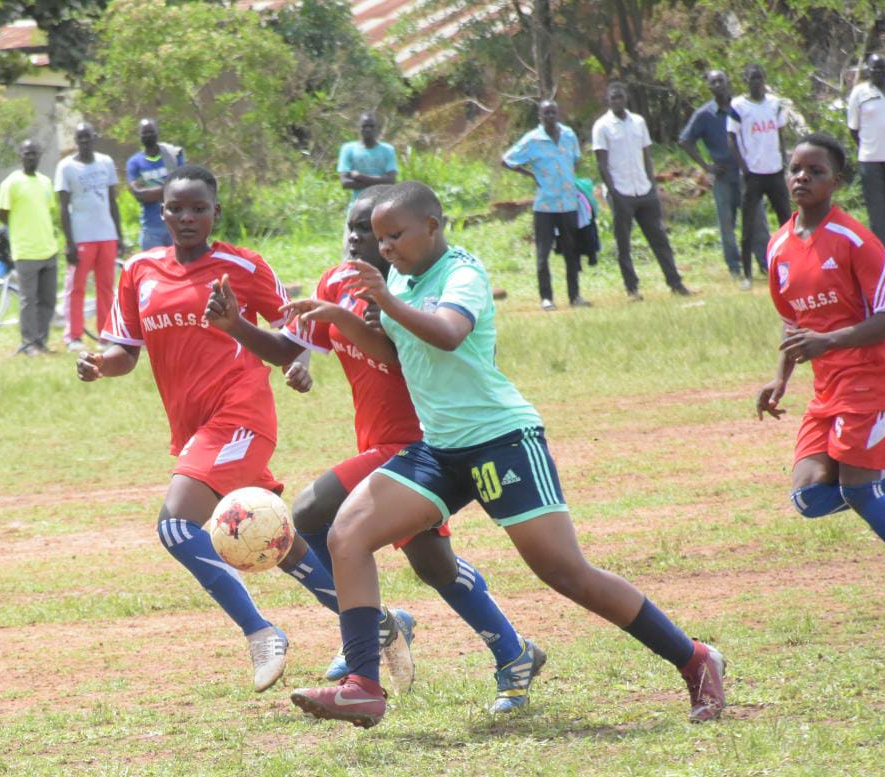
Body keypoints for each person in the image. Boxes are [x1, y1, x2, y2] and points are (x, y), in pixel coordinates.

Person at [284, 181, 725, 729]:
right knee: (347, 534)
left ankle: (696, 659)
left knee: (565, 572)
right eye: (379, 238)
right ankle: (363, 686)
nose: (386, 247)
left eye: (394, 235)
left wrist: (385, 299)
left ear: (432, 225)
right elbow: (396, 353)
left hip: (501, 440)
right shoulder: (399, 275)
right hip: (440, 448)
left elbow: (447, 334)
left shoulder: (463, 274)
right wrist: (339, 316)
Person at [203, 186, 546, 714]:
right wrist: (237, 327)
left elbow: (420, 354)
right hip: (377, 439)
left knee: (312, 513)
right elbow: (288, 347)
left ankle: (369, 630)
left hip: (417, 441)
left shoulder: (415, 289)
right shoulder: (336, 282)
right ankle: (512, 651)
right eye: (355, 227)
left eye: (373, 229)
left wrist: (370, 314)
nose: (359, 238)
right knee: (432, 563)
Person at [75, 164, 378, 694]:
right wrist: (101, 363)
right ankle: (376, 624)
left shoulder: (241, 265)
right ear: (161, 212)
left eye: (198, 208)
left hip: (240, 415)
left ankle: (261, 632)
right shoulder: (139, 269)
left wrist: (297, 363)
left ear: (216, 212)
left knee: (175, 526)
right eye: (176, 208)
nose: (187, 217)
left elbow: (294, 332)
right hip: (194, 427)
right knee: (274, 541)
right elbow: (126, 352)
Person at [756, 133, 885, 621]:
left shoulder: (855, 239)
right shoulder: (779, 245)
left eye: (816, 170)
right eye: (795, 169)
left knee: (857, 489)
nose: (802, 177)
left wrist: (828, 342)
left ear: (838, 181)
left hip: (873, 377)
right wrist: (781, 377)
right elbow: (794, 323)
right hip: (828, 385)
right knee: (809, 497)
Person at [592, 81, 693, 300]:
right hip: (621, 192)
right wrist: (613, 192)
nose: (617, 101)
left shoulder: (638, 122)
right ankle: (632, 289)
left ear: (626, 98)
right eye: (613, 98)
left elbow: (646, 156)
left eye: (620, 96)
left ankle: (675, 283)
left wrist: (652, 186)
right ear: (607, 101)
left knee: (659, 239)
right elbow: (602, 164)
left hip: (644, 190)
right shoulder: (602, 126)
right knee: (624, 244)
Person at [679, 70, 770, 290]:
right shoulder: (704, 115)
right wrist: (706, 166)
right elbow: (685, 141)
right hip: (723, 176)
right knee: (727, 225)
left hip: (747, 173)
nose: (718, 85)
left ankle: (766, 264)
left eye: (721, 80)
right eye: (713, 82)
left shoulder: (742, 107)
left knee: (757, 221)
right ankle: (734, 267)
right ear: (708, 87)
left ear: (728, 82)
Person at [502, 100, 589, 310]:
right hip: (545, 206)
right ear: (540, 117)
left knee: (572, 252)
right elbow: (507, 160)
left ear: (558, 114)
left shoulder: (568, 135)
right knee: (543, 254)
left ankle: (575, 296)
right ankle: (546, 298)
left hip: (568, 202)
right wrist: (532, 174)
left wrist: (567, 176)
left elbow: (576, 158)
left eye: (553, 112)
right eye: (546, 113)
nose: (550, 116)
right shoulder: (533, 139)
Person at [55, 122, 125, 352]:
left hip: (106, 235)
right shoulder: (66, 167)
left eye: (88, 138)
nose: (84, 142)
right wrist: (70, 242)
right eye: (80, 139)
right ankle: (73, 336)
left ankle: (106, 336)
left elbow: (112, 201)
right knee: (76, 288)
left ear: (95, 138)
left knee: (106, 287)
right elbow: (64, 208)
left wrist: (120, 235)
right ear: (76, 141)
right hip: (82, 237)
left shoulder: (106, 162)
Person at [727, 64, 792, 290]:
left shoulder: (775, 104)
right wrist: (743, 166)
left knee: (787, 222)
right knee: (749, 225)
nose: (756, 82)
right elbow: (732, 139)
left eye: (759, 77)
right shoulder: (738, 106)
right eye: (752, 78)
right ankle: (747, 274)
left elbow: (780, 134)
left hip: (774, 172)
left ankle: (792, 267)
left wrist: (784, 161)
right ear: (746, 80)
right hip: (753, 174)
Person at [0, 139, 58, 356]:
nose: (31, 157)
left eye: (34, 153)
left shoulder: (45, 182)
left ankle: (41, 341)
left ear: (39, 155)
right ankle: (28, 343)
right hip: (25, 252)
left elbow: (47, 211)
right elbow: (2, 214)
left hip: (48, 249)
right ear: (20, 155)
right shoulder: (11, 183)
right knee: (28, 301)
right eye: (27, 153)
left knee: (48, 300)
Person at [847, 54, 885, 263]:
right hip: (870, 160)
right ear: (868, 70)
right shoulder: (859, 93)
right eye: (874, 69)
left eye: (882, 68)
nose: (879, 72)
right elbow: (853, 129)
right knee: (877, 213)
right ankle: (881, 262)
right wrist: (868, 147)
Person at [126, 119, 184, 250]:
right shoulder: (134, 162)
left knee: (180, 267)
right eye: (144, 133)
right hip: (151, 227)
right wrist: (168, 189)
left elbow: (182, 187)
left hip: (176, 224)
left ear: (157, 133)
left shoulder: (172, 156)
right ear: (139, 136)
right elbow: (139, 195)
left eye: (151, 132)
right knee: (152, 268)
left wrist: (150, 191)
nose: (148, 136)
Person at [337, 112, 397, 204]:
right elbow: (345, 182)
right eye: (364, 126)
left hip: (381, 206)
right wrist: (380, 181)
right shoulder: (348, 149)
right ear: (358, 128)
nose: (368, 129)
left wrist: (360, 177)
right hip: (357, 206)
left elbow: (391, 181)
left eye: (371, 126)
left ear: (377, 128)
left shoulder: (388, 150)